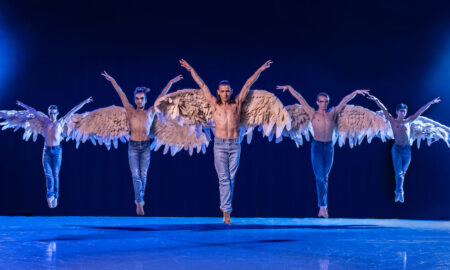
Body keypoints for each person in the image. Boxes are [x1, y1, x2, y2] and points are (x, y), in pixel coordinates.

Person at [180, 59, 273, 225]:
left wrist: (260, 69)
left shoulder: (236, 104)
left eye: (227, 91)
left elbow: (248, 83)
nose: (225, 94)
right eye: (222, 91)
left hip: (235, 144)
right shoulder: (214, 105)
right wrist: (190, 69)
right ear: (218, 92)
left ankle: (226, 209)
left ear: (231, 91)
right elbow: (201, 84)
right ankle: (226, 212)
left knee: (231, 179)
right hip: (220, 145)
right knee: (224, 179)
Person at [277, 85, 369, 218]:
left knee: (325, 178)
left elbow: (344, 100)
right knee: (320, 178)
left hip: (329, 147)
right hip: (317, 147)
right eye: (321, 101)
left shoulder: (333, 113)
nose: (323, 104)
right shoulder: (312, 113)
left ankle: (322, 207)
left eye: (325, 101)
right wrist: (290, 88)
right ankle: (323, 207)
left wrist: (355, 91)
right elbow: (300, 98)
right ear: (317, 102)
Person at [101, 71, 183, 215]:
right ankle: (139, 202)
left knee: (143, 175)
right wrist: (112, 80)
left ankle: (140, 199)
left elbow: (161, 96)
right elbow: (121, 94)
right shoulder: (130, 111)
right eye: (137, 98)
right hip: (133, 146)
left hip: (145, 147)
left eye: (142, 98)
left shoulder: (151, 111)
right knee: (135, 175)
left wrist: (171, 82)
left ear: (145, 100)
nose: (139, 101)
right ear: (135, 100)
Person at [16, 97, 93, 208]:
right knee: (48, 175)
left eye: (53, 113)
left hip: (57, 151)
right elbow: (33, 111)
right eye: (50, 113)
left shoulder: (61, 121)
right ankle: (50, 196)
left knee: (55, 174)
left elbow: (73, 110)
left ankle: (55, 196)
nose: (52, 115)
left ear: (57, 113)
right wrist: (23, 105)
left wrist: (84, 102)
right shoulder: (45, 120)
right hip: (47, 150)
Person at [367, 94, 441, 202]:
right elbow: (384, 109)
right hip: (397, 150)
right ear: (397, 112)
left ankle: (398, 192)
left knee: (403, 173)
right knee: (399, 173)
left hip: (407, 150)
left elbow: (420, 111)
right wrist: (376, 100)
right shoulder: (393, 121)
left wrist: (431, 102)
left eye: (405, 111)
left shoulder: (409, 121)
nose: (403, 112)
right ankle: (400, 192)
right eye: (401, 110)